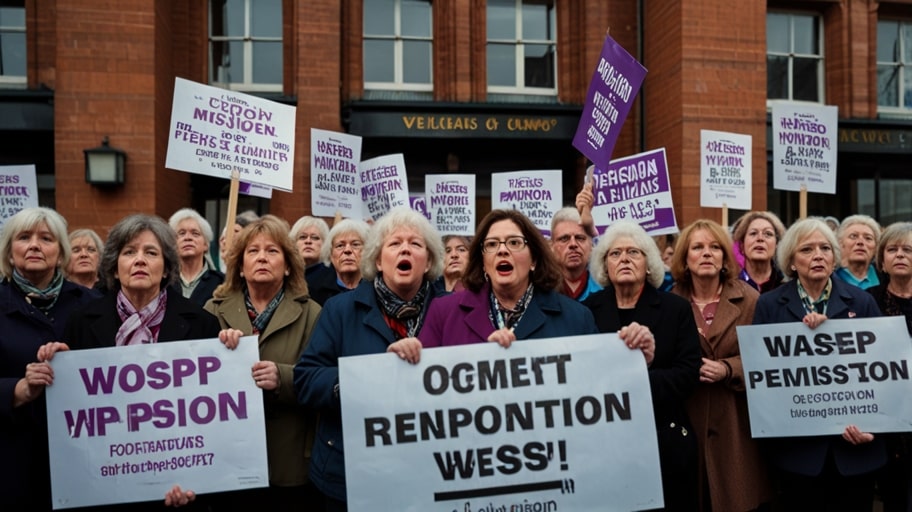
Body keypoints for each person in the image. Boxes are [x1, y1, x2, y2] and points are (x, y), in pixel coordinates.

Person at [36, 213, 221, 509]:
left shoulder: (203, 324)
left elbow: (212, 414)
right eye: (129, 252)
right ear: (114, 266)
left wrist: (196, 478)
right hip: (104, 484)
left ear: (166, 269)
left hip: (175, 482)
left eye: (151, 252)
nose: (140, 260)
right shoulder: (82, 322)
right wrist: (57, 365)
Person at [294, 207, 445, 511]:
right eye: (394, 243)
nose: (405, 248)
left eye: (416, 244)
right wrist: (359, 380)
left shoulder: (454, 310)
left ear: (428, 261)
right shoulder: (340, 310)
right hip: (350, 473)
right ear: (378, 260)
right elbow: (306, 379)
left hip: (430, 471)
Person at [753, 217, 884, 511]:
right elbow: (762, 379)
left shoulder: (862, 303)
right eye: (807, 249)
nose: (818, 256)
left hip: (855, 453)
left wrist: (874, 425)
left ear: (835, 257)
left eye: (825, 248)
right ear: (791, 261)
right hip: (798, 456)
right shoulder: (769, 306)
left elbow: (883, 374)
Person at [583, 220, 701, 511]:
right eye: (615, 253)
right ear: (604, 266)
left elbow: (687, 374)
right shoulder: (587, 311)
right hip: (606, 444)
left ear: (649, 265)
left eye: (633, 252)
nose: (624, 258)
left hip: (664, 440)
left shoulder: (676, 309)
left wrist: (635, 380)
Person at [205, 215, 322, 507]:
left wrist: (282, 377)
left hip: (289, 460)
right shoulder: (212, 311)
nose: (262, 258)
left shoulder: (313, 313)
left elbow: (323, 380)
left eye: (272, 251)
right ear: (240, 268)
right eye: (253, 251)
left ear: (287, 266)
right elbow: (194, 385)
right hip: (228, 460)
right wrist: (219, 354)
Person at [0, 207, 101, 511]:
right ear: (9, 252)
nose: (34, 245)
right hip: (14, 458)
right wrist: (18, 390)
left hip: (84, 457)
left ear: (60, 254)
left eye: (46, 238)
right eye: (24, 237)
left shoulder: (93, 305)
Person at [669, 220, 770, 511]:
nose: (707, 253)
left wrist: (729, 368)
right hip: (687, 419)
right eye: (697, 247)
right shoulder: (669, 301)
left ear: (725, 257)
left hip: (735, 424)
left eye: (715, 247)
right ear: (684, 258)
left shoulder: (750, 299)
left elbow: (765, 357)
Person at [405, 209, 597, 353]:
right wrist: (401, 361)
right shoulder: (443, 313)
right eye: (492, 244)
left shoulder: (577, 319)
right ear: (482, 262)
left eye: (514, 242)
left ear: (534, 260)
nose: (502, 250)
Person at [866, 222, 912, 512]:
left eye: (908, 249)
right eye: (892, 249)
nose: (900, 255)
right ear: (881, 260)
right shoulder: (866, 299)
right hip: (884, 418)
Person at [307, 218, 370, 306]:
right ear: (330, 254)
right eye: (340, 245)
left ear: (368, 251)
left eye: (355, 244)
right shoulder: (312, 289)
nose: (347, 250)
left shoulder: (378, 289)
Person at [168, 208, 224, 307]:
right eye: (181, 233)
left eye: (195, 233)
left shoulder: (222, 282)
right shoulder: (163, 281)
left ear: (206, 245)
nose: (188, 238)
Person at [550, 207, 602, 301]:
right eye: (564, 238)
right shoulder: (541, 291)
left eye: (580, 238)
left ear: (591, 245)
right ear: (552, 246)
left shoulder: (604, 289)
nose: (573, 244)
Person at [732, 211, 787, 293]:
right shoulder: (730, 286)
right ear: (742, 246)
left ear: (777, 245)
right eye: (753, 233)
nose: (760, 238)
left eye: (768, 234)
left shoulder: (787, 286)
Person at [833, 214, 882, 290]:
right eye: (853, 236)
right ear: (840, 243)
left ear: (876, 247)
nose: (860, 242)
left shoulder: (886, 277)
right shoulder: (829, 278)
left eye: (868, 238)